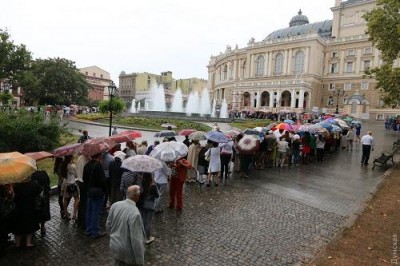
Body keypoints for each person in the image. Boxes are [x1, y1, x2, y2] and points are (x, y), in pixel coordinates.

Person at [106, 185, 145, 266]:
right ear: (137, 196)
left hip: (115, 246)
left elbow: (108, 225)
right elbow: (136, 239)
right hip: (128, 252)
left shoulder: (115, 205)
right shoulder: (135, 213)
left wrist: (113, 237)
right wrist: (140, 261)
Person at [82, 153, 107, 238]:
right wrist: (105, 190)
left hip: (89, 191)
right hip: (98, 191)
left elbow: (84, 179)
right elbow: (102, 180)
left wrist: (88, 188)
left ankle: (88, 229)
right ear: (99, 157)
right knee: (96, 212)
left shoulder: (87, 165)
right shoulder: (99, 166)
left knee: (89, 210)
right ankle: (95, 231)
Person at [11, 180, 43, 247]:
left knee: (18, 226)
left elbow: (13, 197)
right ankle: (28, 243)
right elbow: (40, 190)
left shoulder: (16, 186)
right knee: (30, 226)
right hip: (30, 208)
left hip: (18, 209)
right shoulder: (33, 184)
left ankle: (17, 244)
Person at [137, 173, 159, 244]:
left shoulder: (142, 184)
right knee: (148, 222)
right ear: (150, 177)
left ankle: (143, 236)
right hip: (150, 206)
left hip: (142, 205)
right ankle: (148, 238)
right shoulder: (152, 186)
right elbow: (157, 195)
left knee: (143, 221)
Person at [31, 170, 51, 235]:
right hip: (45, 196)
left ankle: (34, 229)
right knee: (44, 212)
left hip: (35, 197)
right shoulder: (44, 173)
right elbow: (48, 183)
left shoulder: (32, 176)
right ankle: (42, 228)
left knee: (35, 212)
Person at [62, 156, 80, 221]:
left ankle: (66, 214)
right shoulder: (72, 166)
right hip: (72, 184)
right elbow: (76, 175)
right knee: (77, 199)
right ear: (70, 158)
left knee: (65, 199)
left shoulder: (63, 165)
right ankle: (74, 215)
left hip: (66, 184)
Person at [75, 154, 90, 230]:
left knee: (82, 202)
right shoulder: (86, 159)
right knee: (85, 203)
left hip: (80, 181)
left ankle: (79, 220)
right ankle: (84, 223)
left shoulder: (79, 158)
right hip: (84, 183)